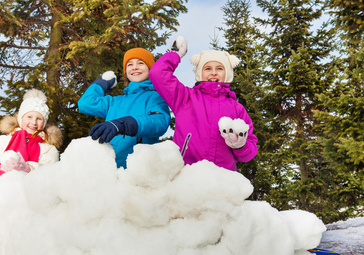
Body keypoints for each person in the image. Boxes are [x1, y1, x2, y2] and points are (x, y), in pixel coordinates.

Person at [149, 37, 258, 171]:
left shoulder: (237, 109)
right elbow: (158, 73)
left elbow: (248, 154)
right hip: (187, 176)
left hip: (223, 182)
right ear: (200, 72)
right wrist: (175, 54)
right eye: (207, 68)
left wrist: (240, 145)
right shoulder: (185, 98)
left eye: (219, 68)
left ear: (227, 74)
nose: (213, 72)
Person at [78, 47, 171, 168]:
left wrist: (125, 124)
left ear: (150, 69)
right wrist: (102, 84)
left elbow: (159, 122)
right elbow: (85, 103)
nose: (135, 67)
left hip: (138, 169)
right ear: (126, 72)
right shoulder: (115, 102)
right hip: (110, 168)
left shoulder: (154, 96)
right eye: (130, 64)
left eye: (141, 63)